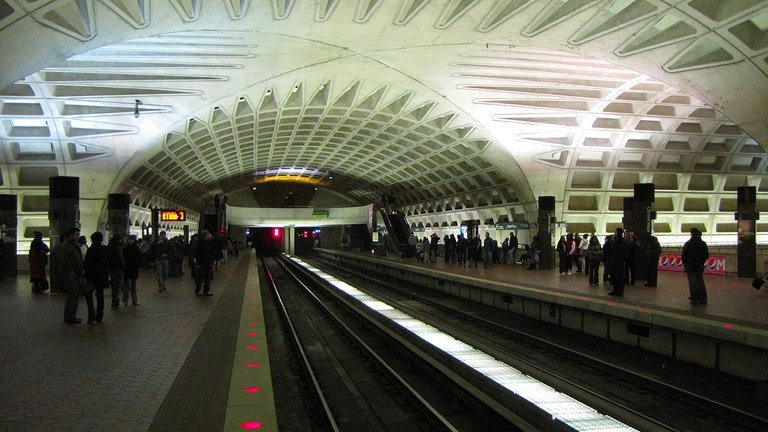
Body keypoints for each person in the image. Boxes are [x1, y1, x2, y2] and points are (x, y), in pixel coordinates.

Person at [53, 227, 84, 324]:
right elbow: (65, 261)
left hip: (74, 273)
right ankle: (70, 317)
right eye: (76, 235)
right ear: (70, 235)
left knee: (74, 296)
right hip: (70, 274)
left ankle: (71, 316)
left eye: (79, 235)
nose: (78, 237)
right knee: (72, 295)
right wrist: (72, 270)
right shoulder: (66, 246)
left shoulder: (73, 245)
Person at [83, 232, 109, 323]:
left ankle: (91, 316)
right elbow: (106, 264)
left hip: (91, 277)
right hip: (101, 277)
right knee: (100, 297)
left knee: (89, 297)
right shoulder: (104, 250)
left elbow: (87, 264)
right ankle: (99, 317)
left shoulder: (90, 250)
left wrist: (86, 276)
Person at [682, 228, 709, 305]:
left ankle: (694, 299)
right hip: (699, 266)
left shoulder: (688, 244)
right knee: (701, 282)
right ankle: (703, 299)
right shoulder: (703, 244)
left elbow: (684, 256)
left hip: (690, 267)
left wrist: (686, 265)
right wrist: (701, 262)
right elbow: (706, 255)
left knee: (692, 283)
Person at [106, 234, 126, 309]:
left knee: (114, 286)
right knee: (117, 286)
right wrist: (123, 266)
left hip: (111, 268)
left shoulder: (110, 246)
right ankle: (115, 303)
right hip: (118, 269)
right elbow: (121, 259)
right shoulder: (118, 247)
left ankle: (114, 302)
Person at [193, 230, 214, 296]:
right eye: (209, 234)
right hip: (202, 263)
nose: (210, 235)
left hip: (208, 262)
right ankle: (198, 290)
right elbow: (196, 253)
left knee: (208, 278)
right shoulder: (200, 242)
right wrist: (198, 263)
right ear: (206, 235)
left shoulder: (209, 242)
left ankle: (206, 291)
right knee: (200, 278)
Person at [123, 234, 142, 306]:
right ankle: (125, 300)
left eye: (131, 239)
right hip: (127, 269)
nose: (130, 241)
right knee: (126, 286)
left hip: (133, 269)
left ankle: (134, 300)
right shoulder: (125, 248)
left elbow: (139, 258)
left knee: (133, 286)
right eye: (129, 239)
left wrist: (138, 266)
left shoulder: (136, 249)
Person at [608, 228, 627, 297]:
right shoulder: (615, 241)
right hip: (614, 261)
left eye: (615, 232)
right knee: (613, 276)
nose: (614, 233)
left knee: (619, 277)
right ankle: (615, 289)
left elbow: (623, 252)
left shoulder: (622, 242)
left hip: (619, 262)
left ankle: (620, 291)